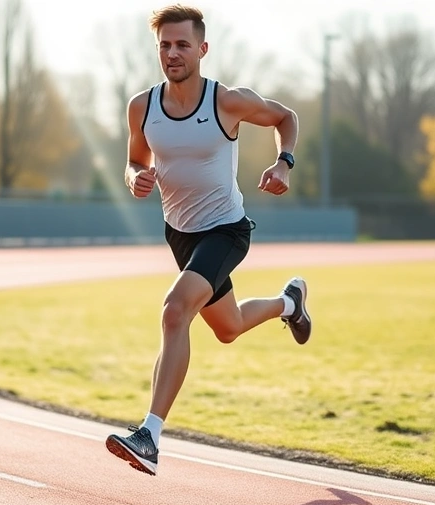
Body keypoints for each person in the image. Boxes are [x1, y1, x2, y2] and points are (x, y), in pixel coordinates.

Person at [105, 4, 312, 476]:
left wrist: (285, 163)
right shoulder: (142, 106)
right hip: (180, 235)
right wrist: (136, 177)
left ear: (202, 48)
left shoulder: (227, 101)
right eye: (164, 45)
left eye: (182, 44)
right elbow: (134, 160)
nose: (172, 53)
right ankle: (289, 303)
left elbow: (287, 118)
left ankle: (150, 437)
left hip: (226, 230)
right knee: (229, 327)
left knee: (175, 311)